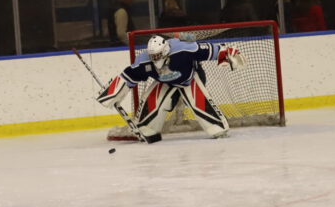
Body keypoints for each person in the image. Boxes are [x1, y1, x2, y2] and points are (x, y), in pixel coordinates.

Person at [95, 35, 245, 142]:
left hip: (189, 78)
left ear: (166, 50)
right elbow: (128, 76)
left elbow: (208, 50)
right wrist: (112, 92)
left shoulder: (183, 50)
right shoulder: (144, 61)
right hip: (165, 83)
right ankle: (147, 128)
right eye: (153, 56)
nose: (155, 58)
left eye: (158, 55)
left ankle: (217, 127)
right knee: (149, 114)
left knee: (206, 114)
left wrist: (227, 54)